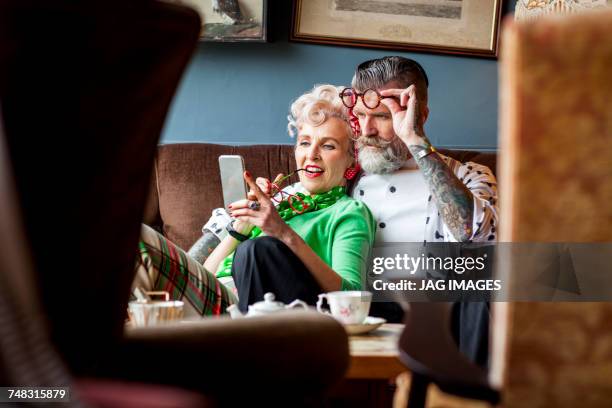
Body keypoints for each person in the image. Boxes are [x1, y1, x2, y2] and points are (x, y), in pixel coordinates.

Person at [133, 84, 375, 316]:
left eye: (328, 146)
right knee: (138, 238)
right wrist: (242, 226)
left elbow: (351, 294)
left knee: (259, 249)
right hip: (216, 299)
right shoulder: (279, 199)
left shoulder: (348, 212)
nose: (311, 155)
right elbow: (206, 274)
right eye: (304, 142)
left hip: (258, 308)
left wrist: (282, 232)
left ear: (352, 160)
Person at [345, 56, 498, 367]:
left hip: (440, 316)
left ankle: (468, 398)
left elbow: (477, 234)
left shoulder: (470, 175)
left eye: (382, 116)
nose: (367, 129)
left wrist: (415, 141)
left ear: (420, 116)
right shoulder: (343, 175)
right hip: (358, 306)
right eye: (360, 115)